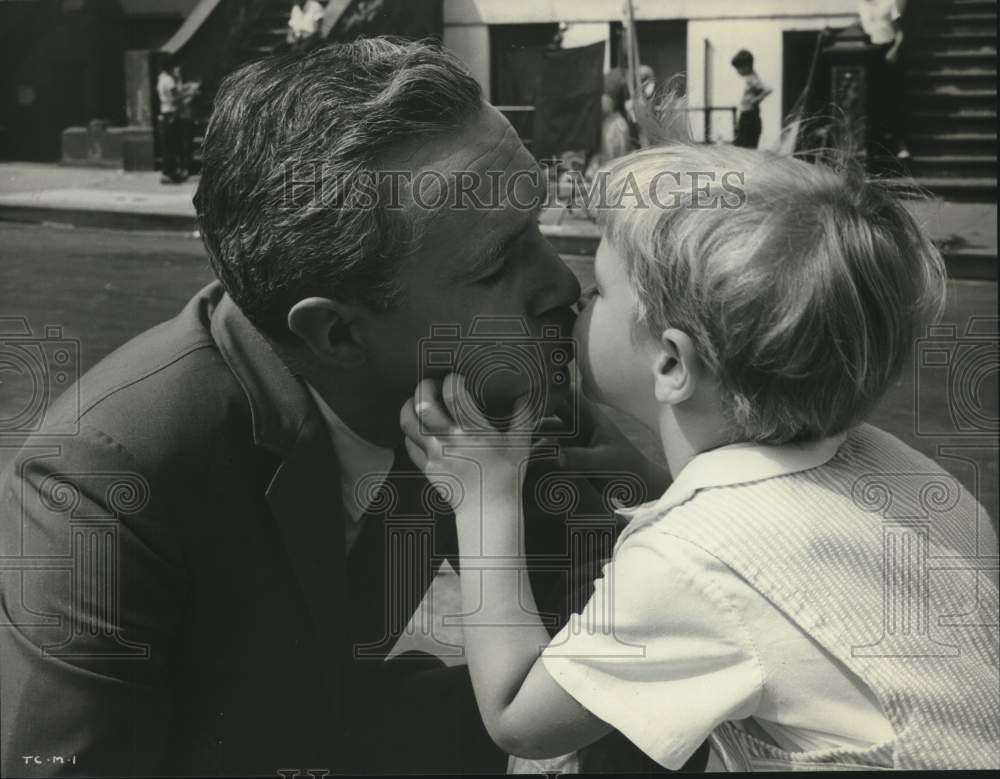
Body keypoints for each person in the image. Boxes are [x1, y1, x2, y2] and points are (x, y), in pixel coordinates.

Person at [0, 39, 666, 777]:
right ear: (338, 332)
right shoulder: (101, 482)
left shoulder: (492, 385)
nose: (562, 285)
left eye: (537, 229)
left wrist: (666, 523)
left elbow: (632, 664)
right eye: (497, 264)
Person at [400, 122, 1000, 768]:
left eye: (601, 289)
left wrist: (484, 499)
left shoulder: (687, 567)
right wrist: (660, 485)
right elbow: (782, 558)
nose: (573, 297)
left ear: (671, 362)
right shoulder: (911, 476)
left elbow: (520, 715)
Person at [859, 0, 911, 159]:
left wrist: (894, 50)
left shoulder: (889, 3)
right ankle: (875, 146)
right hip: (870, 53)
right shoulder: (862, 5)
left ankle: (900, 145)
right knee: (873, 101)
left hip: (888, 52)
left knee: (893, 98)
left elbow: (900, 32)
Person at [731, 49, 771, 148]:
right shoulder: (751, 77)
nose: (738, 71)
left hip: (750, 117)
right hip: (747, 115)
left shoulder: (751, 78)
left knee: (745, 146)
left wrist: (756, 100)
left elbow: (768, 89)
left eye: (739, 68)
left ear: (746, 66)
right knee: (742, 144)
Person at [155, 56, 184, 183]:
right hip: (171, 113)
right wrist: (179, 79)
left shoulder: (161, 79)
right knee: (171, 146)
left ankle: (170, 172)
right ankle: (168, 173)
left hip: (165, 112)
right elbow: (176, 97)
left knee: (168, 145)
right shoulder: (169, 81)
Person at [173, 65, 200, 178]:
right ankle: (182, 167)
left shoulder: (186, 86)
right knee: (181, 145)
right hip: (179, 118)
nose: (179, 75)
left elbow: (195, 92)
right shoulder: (175, 86)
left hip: (187, 118)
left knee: (187, 145)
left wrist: (190, 93)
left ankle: (186, 168)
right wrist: (189, 94)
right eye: (177, 73)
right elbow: (176, 100)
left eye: (180, 72)